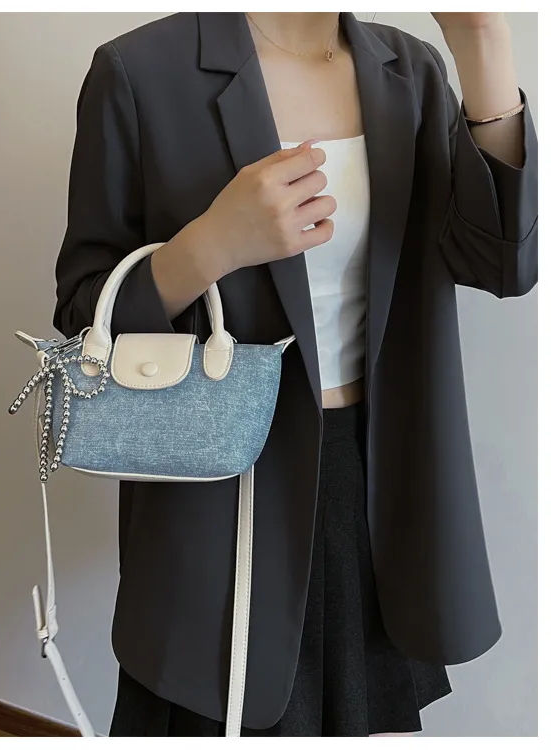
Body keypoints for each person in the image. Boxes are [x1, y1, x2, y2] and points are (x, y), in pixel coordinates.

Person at [53, 11, 537, 737]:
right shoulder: (138, 70)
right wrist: (211, 245)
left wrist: (483, 39)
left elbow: (502, 263)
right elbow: (83, 316)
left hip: (381, 484)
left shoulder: (411, 68)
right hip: (223, 491)